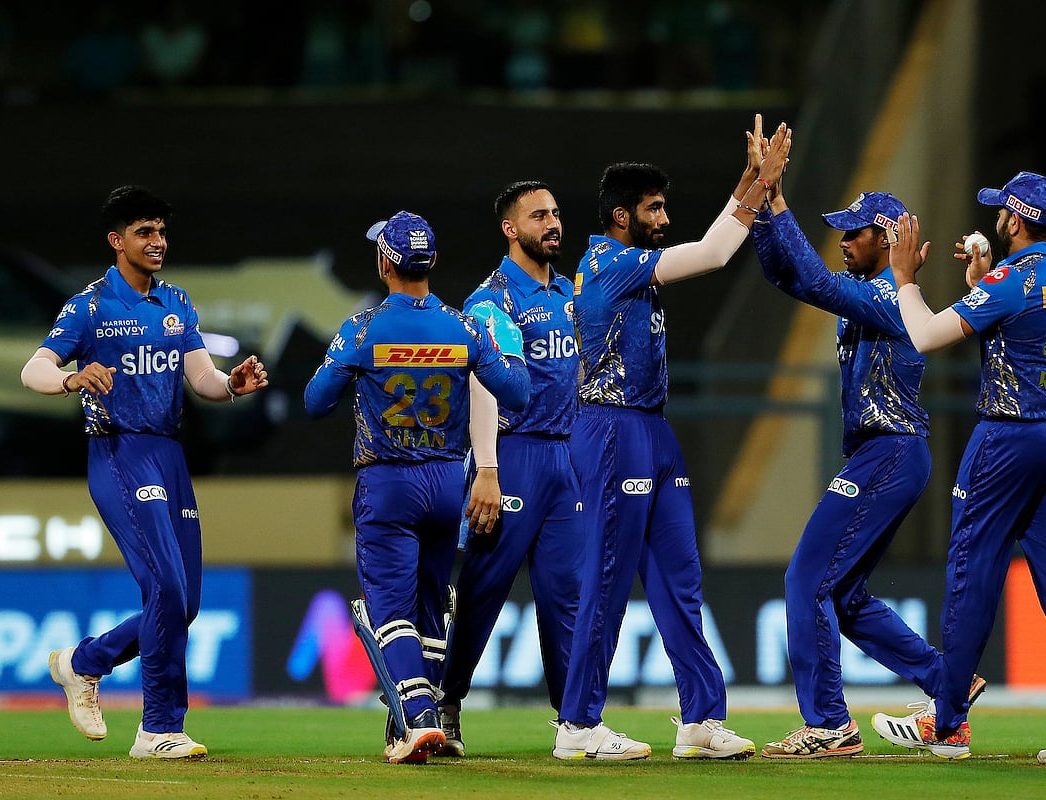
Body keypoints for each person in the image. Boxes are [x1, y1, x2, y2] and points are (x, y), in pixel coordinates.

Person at [553, 115, 790, 761]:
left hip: (652, 428)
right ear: (622, 216)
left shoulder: (629, 263)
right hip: (611, 427)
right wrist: (758, 188)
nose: (664, 217)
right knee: (607, 579)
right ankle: (577, 726)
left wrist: (750, 181)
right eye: (653, 208)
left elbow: (705, 246)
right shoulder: (609, 263)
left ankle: (701, 721)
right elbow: (712, 253)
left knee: (680, 581)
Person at [871, 171, 1046, 765]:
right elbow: (1024, 331)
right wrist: (984, 278)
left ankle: (948, 723)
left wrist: (905, 278)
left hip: (1010, 438)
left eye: (1002, 211)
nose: (998, 218)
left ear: (1016, 219)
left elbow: (926, 335)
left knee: (972, 571)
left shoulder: (1015, 280)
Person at [21, 185, 269, 759]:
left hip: (169, 457)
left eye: (161, 231)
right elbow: (34, 368)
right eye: (144, 232)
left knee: (184, 604)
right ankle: (158, 729)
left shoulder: (177, 302)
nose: (158, 241)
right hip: (120, 452)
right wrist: (70, 379)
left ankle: (83, 662)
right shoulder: (89, 306)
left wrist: (232, 385)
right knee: (165, 589)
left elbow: (201, 379)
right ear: (117, 240)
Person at [752, 182, 987, 758]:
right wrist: (759, 209)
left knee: (806, 580)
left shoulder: (890, 296)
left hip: (890, 451)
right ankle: (947, 683)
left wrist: (779, 205)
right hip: (884, 455)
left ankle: (829, 724)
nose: (842, 240)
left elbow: (813, 281)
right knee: (845, 597)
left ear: (885, 239)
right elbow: (786, 276)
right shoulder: (867, 291)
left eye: (852, 231)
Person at [304, 210, 529, 764]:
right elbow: (517, 393)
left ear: (386, 263)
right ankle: (407, 722)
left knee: (388, 609)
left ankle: (419, 716)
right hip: (448, 483)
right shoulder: (463, 328)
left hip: (388, 482)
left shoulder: (365, 328)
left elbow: (315, 402)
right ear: (432, 262)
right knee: (431, 608)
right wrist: (499, 344)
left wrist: (352, 363)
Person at [437, 181, 582, 757]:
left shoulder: (569, 292)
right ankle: (445, 702)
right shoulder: (491, 299)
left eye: (556, 213)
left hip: (564, 457)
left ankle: (575, 720)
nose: (552, 223)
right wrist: (488, 469)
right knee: (483, 590)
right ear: (510, 228)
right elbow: (483, 385)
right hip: (513, 455)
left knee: (566, 595)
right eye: (538, 215)